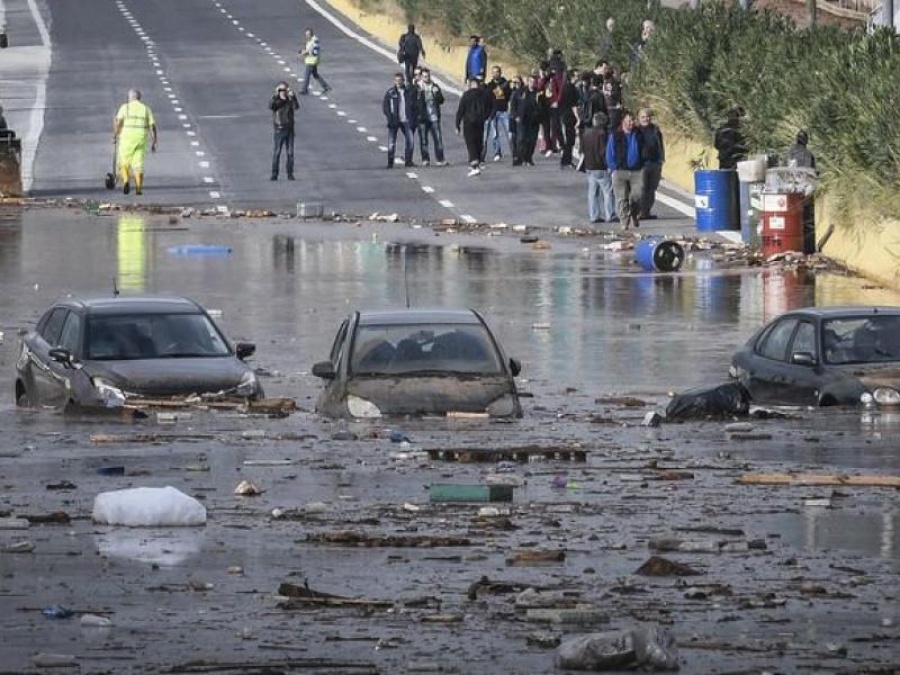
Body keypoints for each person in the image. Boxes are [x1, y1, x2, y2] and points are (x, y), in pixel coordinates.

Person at [112, 88, 157, 196]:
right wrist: (154, 141)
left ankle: (126, 180)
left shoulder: (125, 107)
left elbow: (118, 123)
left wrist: (114, 136)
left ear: (130, 97)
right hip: (141, 138)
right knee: (138, 164)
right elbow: (152, 126)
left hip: (126, 138)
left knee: (124, 162)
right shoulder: (145, 109)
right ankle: (138, 188)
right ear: (139, 98)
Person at [606, 110, 645, 230]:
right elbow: (609, 152)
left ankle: (634, 214)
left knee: (637, 196)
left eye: (633, 120)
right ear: (623, 122)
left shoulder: (639, 134)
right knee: (622, 198)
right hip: (620, 170)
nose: (632, 123)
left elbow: (646, 150)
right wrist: (613, 168)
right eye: (629, 120)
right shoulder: (615, 135)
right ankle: (624, 222)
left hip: (636, 170)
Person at [582, 111, 615, 225]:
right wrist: (609, 165)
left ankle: (594, 215)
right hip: (600, 167)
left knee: (592, 193)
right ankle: (610, 214)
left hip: (589, 166)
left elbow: (582, 150)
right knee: (608, 191)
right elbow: (603, 152)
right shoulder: (603, 134)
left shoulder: (586, 133)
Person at [455, 78, 490, 177]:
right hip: (480, 121)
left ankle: (474, 164)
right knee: (478, 142)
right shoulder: (484, 94)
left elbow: (461, 110)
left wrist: (457, 124)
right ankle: (477, 161)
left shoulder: (466, 95)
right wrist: (485, 117)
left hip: (469, 122)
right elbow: (489, 106)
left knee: (471, 142)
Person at [382, 72, 418, 168]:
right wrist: (390, 117)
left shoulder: (409, 92)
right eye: (396, 80)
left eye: (400, 80)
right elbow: (386, 107)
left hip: (406, 120)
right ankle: (390, 162)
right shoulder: (390, 93)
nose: (398, 82)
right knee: (391, 142)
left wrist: (413, 118)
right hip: (394, 121)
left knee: (410, 141)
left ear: (403, 81)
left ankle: (408, 161)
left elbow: (415, 106)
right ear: (394, 81)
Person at [269, 81, 299, 181]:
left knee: (290, 153)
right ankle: (274, 173)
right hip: (279, 129)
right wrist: (277, 96)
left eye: (284, 90)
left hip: (290, 129)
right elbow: (272, 106)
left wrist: (293, 97)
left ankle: (290, 174)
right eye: (280, 90)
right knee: (277, 152)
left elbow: (296, 107)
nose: (282, 92)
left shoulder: (290, 99)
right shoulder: (276, 100)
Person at [415, 68, 446, 166]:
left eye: (428, 76)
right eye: (424, 76)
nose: (426, 78)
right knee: (424, 140)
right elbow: (412, 101)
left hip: (434, 117)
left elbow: (441, 100)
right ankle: (425, 159)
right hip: (422, 118)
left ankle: (440, 159)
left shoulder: (435, 86)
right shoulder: (417, 88)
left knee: (438, 139)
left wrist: (436, 94)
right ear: (421, 77)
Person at [637, 108, 664, 218]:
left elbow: (660, 145)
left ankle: (647, 212)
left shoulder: (655, 129)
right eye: (643, 117)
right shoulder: (636, 131)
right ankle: (639, 212)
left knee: (651, 189)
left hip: (655, 163)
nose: (646, 119)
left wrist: (661, 159)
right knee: (641, 188)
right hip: (641, 164)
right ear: (639, 119)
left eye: (647, 117)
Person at [484, 65, 511, 163]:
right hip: (493, 112)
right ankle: (497, 152)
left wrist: (502, 91)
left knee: (510, 132)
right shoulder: (489, 85)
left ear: (500, 73)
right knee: (495, 134)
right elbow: (488, 98)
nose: (495, 74)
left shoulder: (506, 83)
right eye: (493, 72)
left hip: (503, 110)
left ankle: (515, 152)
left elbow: (508, 96)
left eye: (497, 72)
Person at [514, 74, 541, 166]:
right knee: (521, 139)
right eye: (530, 82)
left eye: (534, 82)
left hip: (534, 120)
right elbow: (513, 104)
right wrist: (516, 116)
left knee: (532, 140)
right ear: (527, 82)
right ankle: (519, 158)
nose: (532, 84)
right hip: (522, 119)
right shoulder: (520, 92)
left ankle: (528, 158)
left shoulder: (538, 93)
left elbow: (543, 105)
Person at [299, 28, 332, 95]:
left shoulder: (314, 41)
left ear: (311, 34)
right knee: (315, 74)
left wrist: (305, 53)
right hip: (310, 60)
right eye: (306, 34)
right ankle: (326, 87)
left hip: (312, 61)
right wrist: (303, 51)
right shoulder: (310, 40)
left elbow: (315, 52)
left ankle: (304, 89)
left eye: (308, 34)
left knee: (307, 75)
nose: (307, 36)